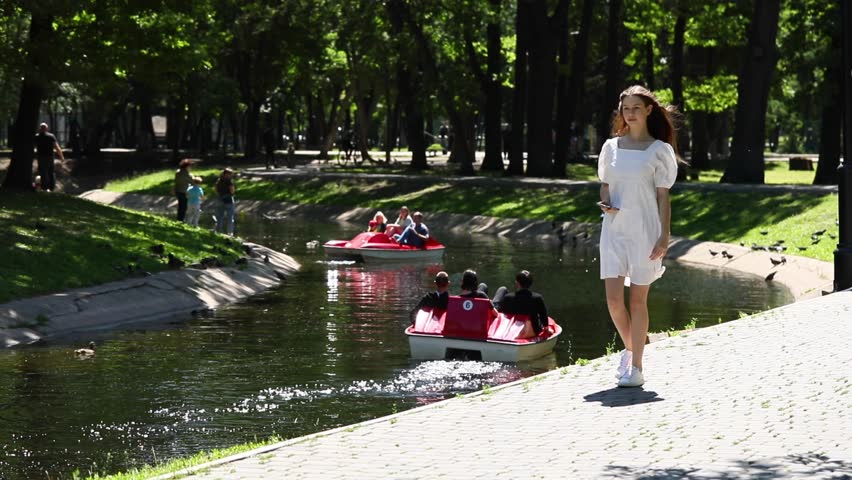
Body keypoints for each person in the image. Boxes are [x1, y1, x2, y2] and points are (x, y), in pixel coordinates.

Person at [597, 85, 680, 388]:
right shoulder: (610, 148)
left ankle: (638, 367)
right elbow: (606, 184)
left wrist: (663, 236)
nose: (629, 114)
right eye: (625, 108)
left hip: (645, 231)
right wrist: (605, 201)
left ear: (648, 110)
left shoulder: (660, 150)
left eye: (635, 108)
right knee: (614, 301)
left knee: (637, 303)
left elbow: (663, 197)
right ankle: (631, 348)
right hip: (613, 231)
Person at [491, 270, 549, 338]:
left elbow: (503, 315)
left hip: (511, 330)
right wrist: (546, 328)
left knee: (502, 291)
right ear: (531, 283)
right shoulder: (538, 298)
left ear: (517, 283)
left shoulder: (508, 298)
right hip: (532, 330)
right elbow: (544, 320)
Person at [34, 123, 64, 192]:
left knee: (43, 172)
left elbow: (33, 147)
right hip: (50, 157)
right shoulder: (51, 136)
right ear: (47, 129)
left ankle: (44, 188)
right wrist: (61, 156)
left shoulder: (37, 137)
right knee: (51, 172)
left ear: (40, 129)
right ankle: (51, 188)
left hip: (41, 157)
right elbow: (57, 147)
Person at [214, 167, 236, 235]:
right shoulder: (229, 181)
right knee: (230, 217)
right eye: (231, 174)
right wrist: (232, 194)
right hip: (228, 200)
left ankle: (218, 231)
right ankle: (230, 233)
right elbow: (232, 190)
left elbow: (215, 189)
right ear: (228, 174)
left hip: (219, 199)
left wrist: (219, 194)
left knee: (220, 217)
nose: (231, 175)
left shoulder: (219, 180)